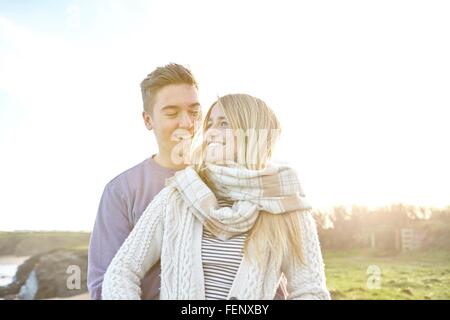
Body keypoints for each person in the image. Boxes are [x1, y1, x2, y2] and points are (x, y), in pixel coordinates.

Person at [102, 94, 331, 300]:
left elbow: (310, 290)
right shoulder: (178, 195)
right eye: (209, 123)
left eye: (224, 123)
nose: (209, 132)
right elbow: (121, 271)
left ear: (251, 131)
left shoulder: (287, 204)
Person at [87, 63, 202, 300]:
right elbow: (102, 285)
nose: (187, 123)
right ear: (148, 120)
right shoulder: (121, 191)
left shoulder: (225, 181)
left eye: (194, 111)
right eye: (171, 113)